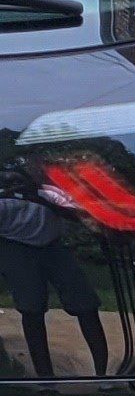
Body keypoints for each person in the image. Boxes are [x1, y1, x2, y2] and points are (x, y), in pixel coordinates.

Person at [0, 155, 108, 380]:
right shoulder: (3, 201)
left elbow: (80, 215)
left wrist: (41, 200)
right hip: (16, 248)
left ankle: (104, 376)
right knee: (31, 309)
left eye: (20, 180)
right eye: (9, 182)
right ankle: (46, 380)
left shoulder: (49, 195)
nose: (14, 186)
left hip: (52, 245)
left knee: (86, 305)